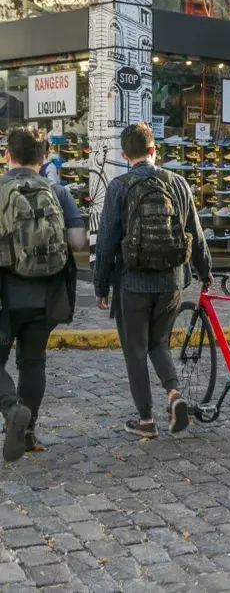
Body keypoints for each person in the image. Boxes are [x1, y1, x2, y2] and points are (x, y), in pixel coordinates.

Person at [93, 123, 212, 439]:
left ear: (124, 155)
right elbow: (195, 232)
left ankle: (146, 420)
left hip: (132, 283)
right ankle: (174, 395)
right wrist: (205, 270)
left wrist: (101, 286)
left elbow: (106, 242)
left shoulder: (119, 187)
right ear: (153, 149)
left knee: (135, 350)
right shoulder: (178, 183)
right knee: (159, 343)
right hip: (172, 281)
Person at [0, 127, 86, 461]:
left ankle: (11, 409)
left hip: (4, 296)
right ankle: (29, 432)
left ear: (8, 155)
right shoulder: (58, 192)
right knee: (33, 362)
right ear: (42, 157)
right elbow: (78, 242)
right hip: (45, 295)